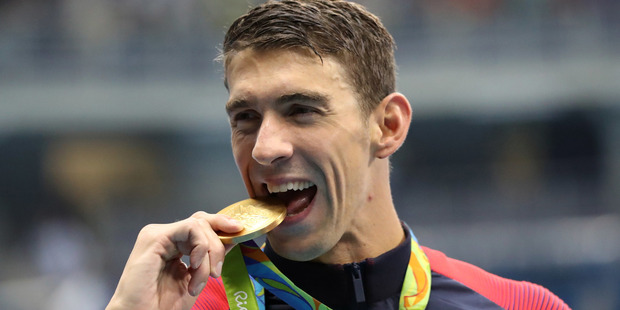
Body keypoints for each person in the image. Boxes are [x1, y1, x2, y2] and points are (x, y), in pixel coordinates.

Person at [106, 1, 571, 309]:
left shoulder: (516, 305)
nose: (265, 149)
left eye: (302, 110)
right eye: (245, 117)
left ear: (387, 127)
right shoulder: (185, 307)